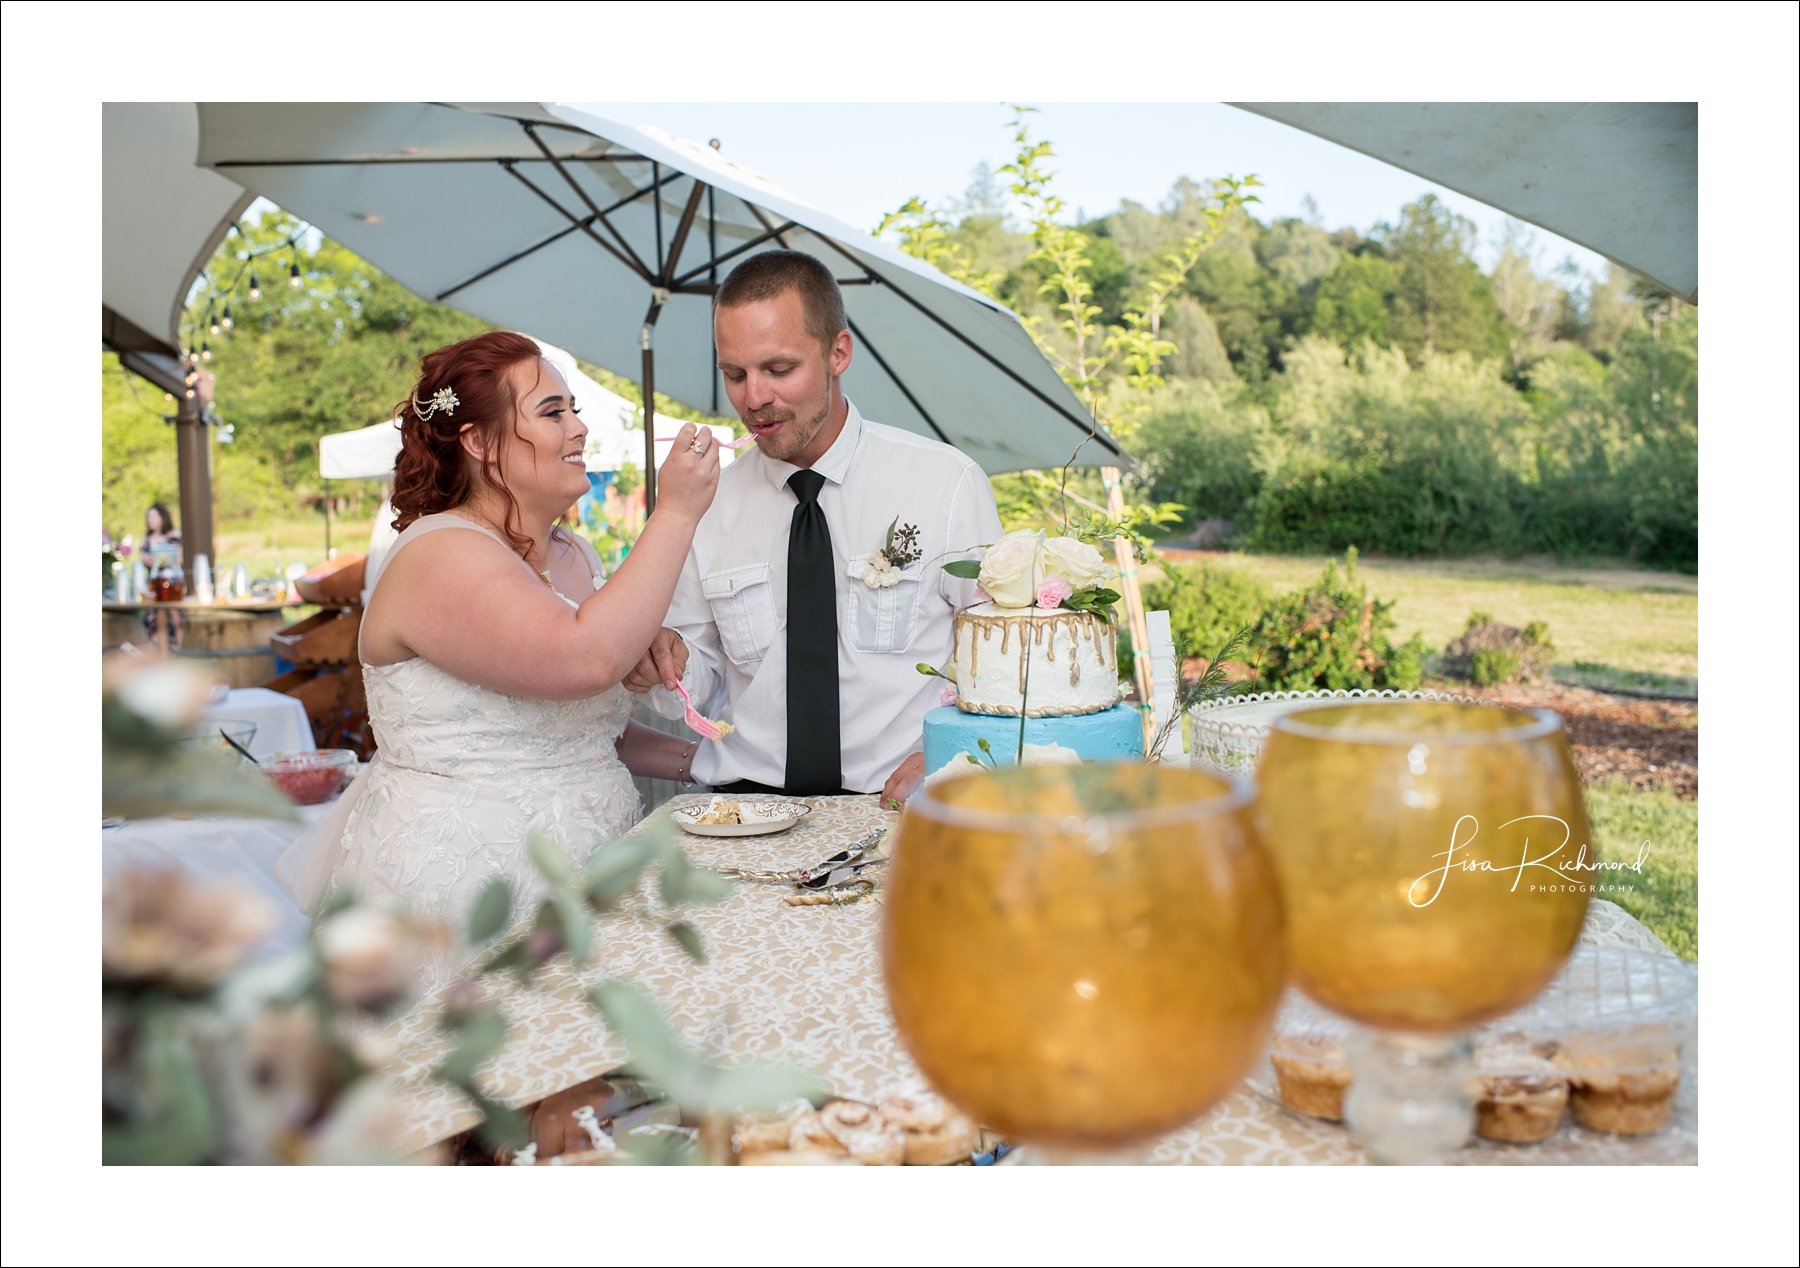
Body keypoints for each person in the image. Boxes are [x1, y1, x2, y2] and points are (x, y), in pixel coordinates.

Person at [276, 331, 720, 989]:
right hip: (463, 894)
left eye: (574, 408)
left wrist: (713, 762)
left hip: (587, 874)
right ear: (481, 442)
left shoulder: (574, 556)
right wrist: (678, 509)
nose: (580, 427)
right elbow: (586, 660)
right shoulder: (438, 556)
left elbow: (579, 732)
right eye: (553, 412)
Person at [625, 250, 1001, 809]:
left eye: (779, 370)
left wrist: (957, 745)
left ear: (838, 353)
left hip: (900, 801)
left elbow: (1001, 651)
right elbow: (700, 676)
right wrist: (665, 659)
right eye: (734, 374)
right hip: (744, 809)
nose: (754, 399)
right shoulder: (704, 502)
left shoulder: (944, 483)